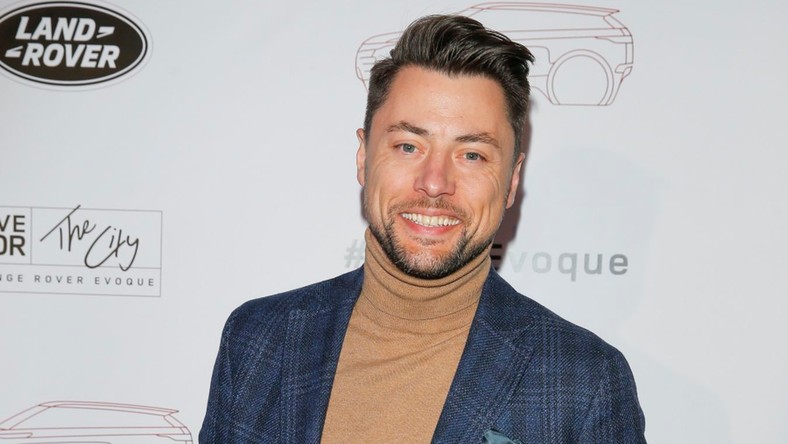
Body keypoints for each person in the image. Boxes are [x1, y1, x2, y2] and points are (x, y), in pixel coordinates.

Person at [199, 14, 646, 444]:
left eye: (471, 155)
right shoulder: (258, 340)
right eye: (409, 146)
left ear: (512, 181)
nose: (434, 183)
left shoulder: (583, 382)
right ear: (364, 158)